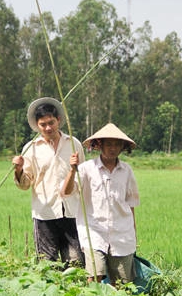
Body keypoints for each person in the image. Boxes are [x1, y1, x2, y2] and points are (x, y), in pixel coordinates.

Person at [62, 123, 140, 286]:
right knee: (94, 276)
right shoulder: (86, 169)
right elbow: (66, 192)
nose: (113, 148)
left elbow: (131, 204)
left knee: (123, 283)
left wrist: (133, 233)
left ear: (122, 147)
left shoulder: (127, 171)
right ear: (99, 145)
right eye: (109, 144)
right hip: (93, 231)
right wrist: (72, 170)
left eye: (117, 144)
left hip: (121, 233)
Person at [12, 97, 85, 266]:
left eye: (51, 122)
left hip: (72, 212)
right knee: (47, 265)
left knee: (75, 263)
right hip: (44, 213)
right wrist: (18, 169)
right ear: (37, 126)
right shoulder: (31, 148)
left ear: (58, 120)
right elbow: (25, 184)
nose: (48, 128)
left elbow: (82, 177)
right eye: (43, 125)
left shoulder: (74, 144)